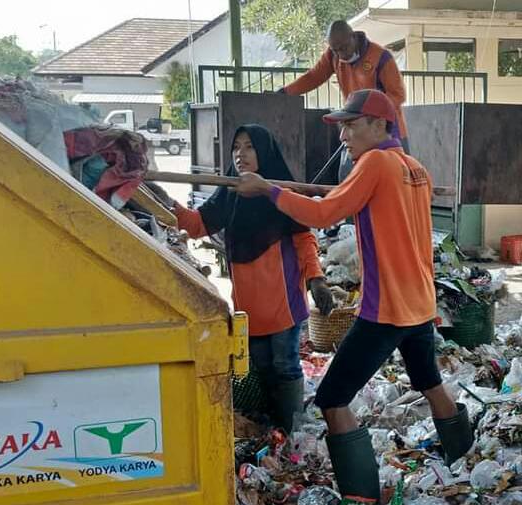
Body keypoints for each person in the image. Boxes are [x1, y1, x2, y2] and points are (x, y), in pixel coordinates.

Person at [233, 90, 473, 503]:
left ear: (381, 125)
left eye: (351, 124)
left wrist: (269, 190)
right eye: (342, 125)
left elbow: (325, 214)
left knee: (331, 398)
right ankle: (467, 460)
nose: (343, 134)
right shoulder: (414, 168)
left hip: (387, 310)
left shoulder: (375, 161)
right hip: (418, 303)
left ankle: (360, 496)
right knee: (430, 382)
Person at [169, 124, 335, 433]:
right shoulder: (228, 195)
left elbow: (304, 240)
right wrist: (165, 203)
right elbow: (196, 225)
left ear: (265, 152)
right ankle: (274, 426)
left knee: (285, 366)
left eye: (249, 147)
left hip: (282, 300)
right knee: (261, 367)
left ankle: (292, 429)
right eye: (236, 147)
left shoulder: (283, 195)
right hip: (248, 304)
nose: (240, 154)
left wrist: (316, 279)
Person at [280, 20, 410, 182]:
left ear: (353, 37)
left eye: (344, 47)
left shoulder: (380, 57)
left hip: (386, 129)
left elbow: (398, 94)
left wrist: (370, 111)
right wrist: (285, 92)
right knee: (348, 175)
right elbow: (314, 76)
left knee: (395, 178)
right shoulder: (333, 56)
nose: (341, 54)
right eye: (336, 50)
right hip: (355, 125)